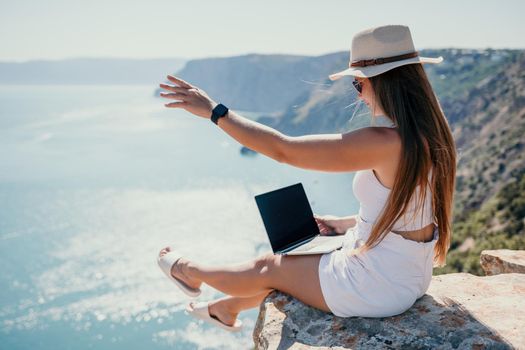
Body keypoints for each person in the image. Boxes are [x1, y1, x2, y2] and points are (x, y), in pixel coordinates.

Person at [156, 24, 457, 331]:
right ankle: (227, 308)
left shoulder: (383, 142)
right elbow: (412, 211)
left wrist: (214, 111)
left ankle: (189, 272)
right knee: (301, 258)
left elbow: (283, 149)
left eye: (358, 84)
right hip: (410, 275)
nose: (360, 95)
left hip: (377, 285)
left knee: (270, 266)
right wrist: (342, 223)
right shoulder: (430, 134)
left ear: (380, 83)